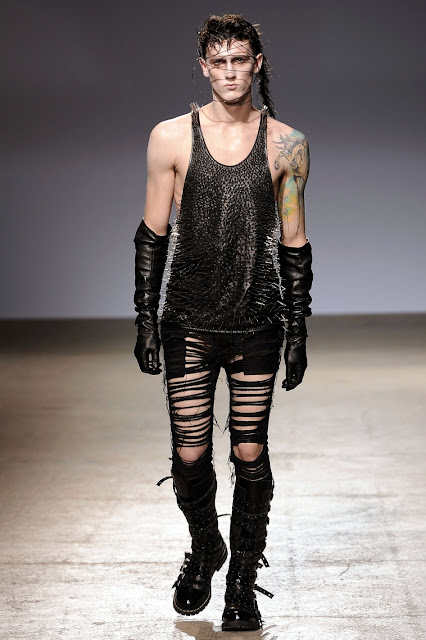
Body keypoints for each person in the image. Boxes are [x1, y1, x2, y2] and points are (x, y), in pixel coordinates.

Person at [132, 13, 313, 632]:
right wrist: (145, 318)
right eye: (220, 61)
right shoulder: (170, 138)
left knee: (249, 449)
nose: (231, 72)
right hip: (188, 318)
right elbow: (152, 233)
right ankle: (206, 545)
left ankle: (240, 585)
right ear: (204, 67)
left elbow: (293, 240)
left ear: (257, 64)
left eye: (241, 60)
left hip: (257, 320)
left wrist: (297, 330)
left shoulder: (287, 144)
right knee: (189, 454)